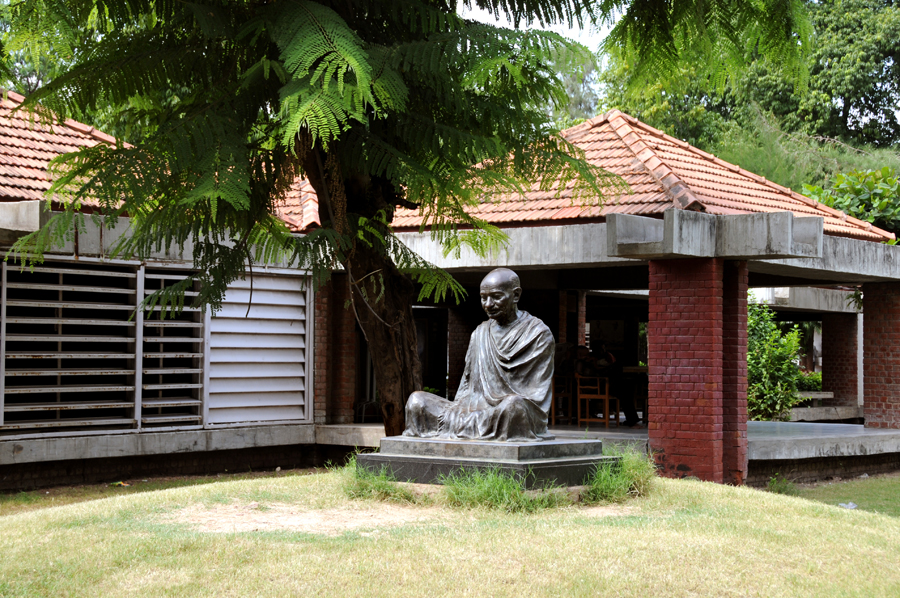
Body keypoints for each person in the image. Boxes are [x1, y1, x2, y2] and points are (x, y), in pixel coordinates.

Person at [403, 268, 555, 441]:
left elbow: (534, 394)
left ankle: (471, 428)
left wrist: (494, 406)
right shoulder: (480, 332)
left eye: (496, 297)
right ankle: (466, 429)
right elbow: (467, 383)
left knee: (514, 407)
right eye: (484, 298)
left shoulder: (537, 334)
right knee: (417, 401)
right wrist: (459, 408)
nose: (488, 304)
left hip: (505, 410)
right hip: (474, 408)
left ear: (516, 295)